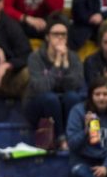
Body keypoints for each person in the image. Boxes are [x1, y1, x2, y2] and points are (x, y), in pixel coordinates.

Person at [24, 14, 84, 149]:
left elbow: (75, 85)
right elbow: (41, 88)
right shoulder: (35, 57)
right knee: (50, 98)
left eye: (64, 34)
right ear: (47, 37)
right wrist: (57, 65)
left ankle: (71, 138)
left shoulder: (73, 57)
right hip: (38, 106)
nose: (60, 38)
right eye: (56, 34)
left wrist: (66, 65)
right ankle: (61, 140)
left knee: (72, 97)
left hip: (63, 105)